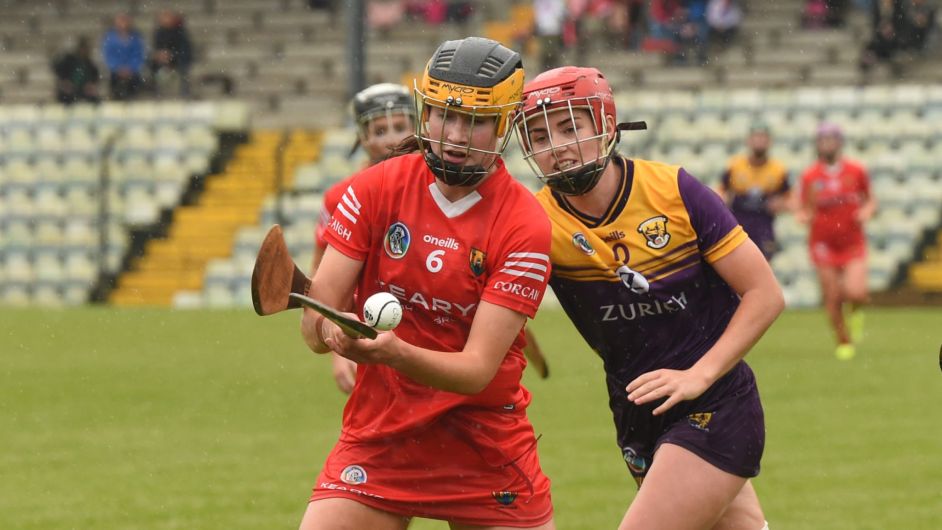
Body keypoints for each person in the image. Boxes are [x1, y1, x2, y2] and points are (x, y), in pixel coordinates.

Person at [298, 37, 556, 529]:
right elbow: (316, 319)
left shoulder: (525, 222)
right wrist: (331, 331)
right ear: (426, 113)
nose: (455, 134)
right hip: (381, 434)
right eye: (444, 115)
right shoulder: (375, 187)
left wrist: (394, 354)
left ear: (503, 124)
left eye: (476, 120)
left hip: (484, 443)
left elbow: (477, 369)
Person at [515, 66, 783, 530]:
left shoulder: (674, 190)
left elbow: (764, 294)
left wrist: (699, 375)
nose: (556, 147)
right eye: (539, 136)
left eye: (570, 126)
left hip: (716, 403)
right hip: (635, 407)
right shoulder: (535, 221)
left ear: (605, 124)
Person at [312, 82, 417, 394]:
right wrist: (337, 349)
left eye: (400, 127)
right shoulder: (338, 197)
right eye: (379, 130)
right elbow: (324, 283)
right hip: (371, 334)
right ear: (362, 136)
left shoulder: (443, 188)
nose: (393, 139)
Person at [797, 123, 875, 361]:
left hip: (852, 242)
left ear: (840, 143)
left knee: (857, 291)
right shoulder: (810, 176)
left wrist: (867, 212)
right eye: (823, 140)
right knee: (832, 296)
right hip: (823, 244)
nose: (827, 144)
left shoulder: (856, 171)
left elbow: (870, 200)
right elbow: (804, 208)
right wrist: (803, 216)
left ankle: (858, 311)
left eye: (832, 139)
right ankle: (843, 341)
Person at [717, 123, 791, 260]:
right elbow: (720, 192)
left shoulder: (778, 169)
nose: (759, 141)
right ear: (749, 140)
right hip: (738, 223)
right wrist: (726, 201)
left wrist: (779, 204)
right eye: (756, 137)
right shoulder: (735, 166)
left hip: (764, 225)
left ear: (770, 141)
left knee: (763, 264)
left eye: (763, 137)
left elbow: (789, 199)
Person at [101, 13, 146, 100]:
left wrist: (131, 68)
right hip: (116, 72)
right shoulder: (110, 38)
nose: (123, 25)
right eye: (120, 22)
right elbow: (108, 56)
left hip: (132, 72)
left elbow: (138, 55)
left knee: (134, 83)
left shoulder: (136, 38)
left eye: (125, 22)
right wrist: (118, 68)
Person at [150, 10, 193, 98]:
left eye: (167, 18)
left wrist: (172, 55)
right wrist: (160, 55)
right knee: (151, 66)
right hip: (163, 60)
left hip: (179, 60)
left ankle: (184, 93)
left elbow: (184, 50)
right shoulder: (159, 33)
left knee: (183, 68)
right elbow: (157, 48)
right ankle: (155, 92)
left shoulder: (180, 33)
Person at [52, 36, 101, 104]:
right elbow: (57, 69)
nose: (84, 52)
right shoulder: (69, 61)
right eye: (83, 49)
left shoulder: (89, 63)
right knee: (66, 98)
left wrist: (91, 85)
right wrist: (64, 82)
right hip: (70, 91)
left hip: (83, 91)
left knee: (95, 100)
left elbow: (95, 77)